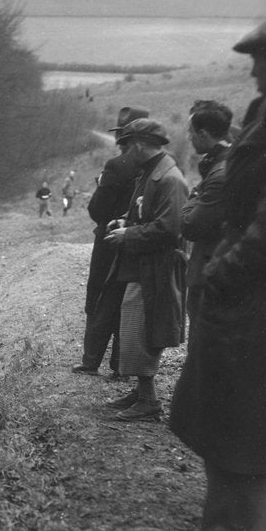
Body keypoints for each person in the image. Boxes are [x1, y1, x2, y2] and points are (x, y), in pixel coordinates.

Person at [168, 13, 266, 531]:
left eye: (256, 62)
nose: (250, 73)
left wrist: (224, 272)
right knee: (249, 410)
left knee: (243, 413)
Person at [102, 118, 189, 422]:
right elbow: (146, 213)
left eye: (127, 145)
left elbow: (170, 228)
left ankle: (149, 400)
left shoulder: (170, 179)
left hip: (158, 268)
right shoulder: (150, 173)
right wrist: (126, 222)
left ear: (139, 145)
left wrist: (129, 235)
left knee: (143, 329)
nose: (125, 152)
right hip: (143, 265)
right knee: (135, 326)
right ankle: (142, 392)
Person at [72, 106, 146, 379]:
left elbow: (96, 209)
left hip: (110, 240)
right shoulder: (156, 164)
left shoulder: (116, 166)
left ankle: (91, 361)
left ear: (122, 136)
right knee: (128, 300)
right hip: (140, 240)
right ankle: (120, 365)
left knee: (101, 295)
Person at [180, 100, 233, 337]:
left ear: (203, 134)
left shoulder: (220, 173)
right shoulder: (223, 164)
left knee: (202, 342)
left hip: (210, 271)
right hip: (214, 267)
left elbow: (190, 225)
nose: (189, 138)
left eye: (191, 133)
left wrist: (192, 196)